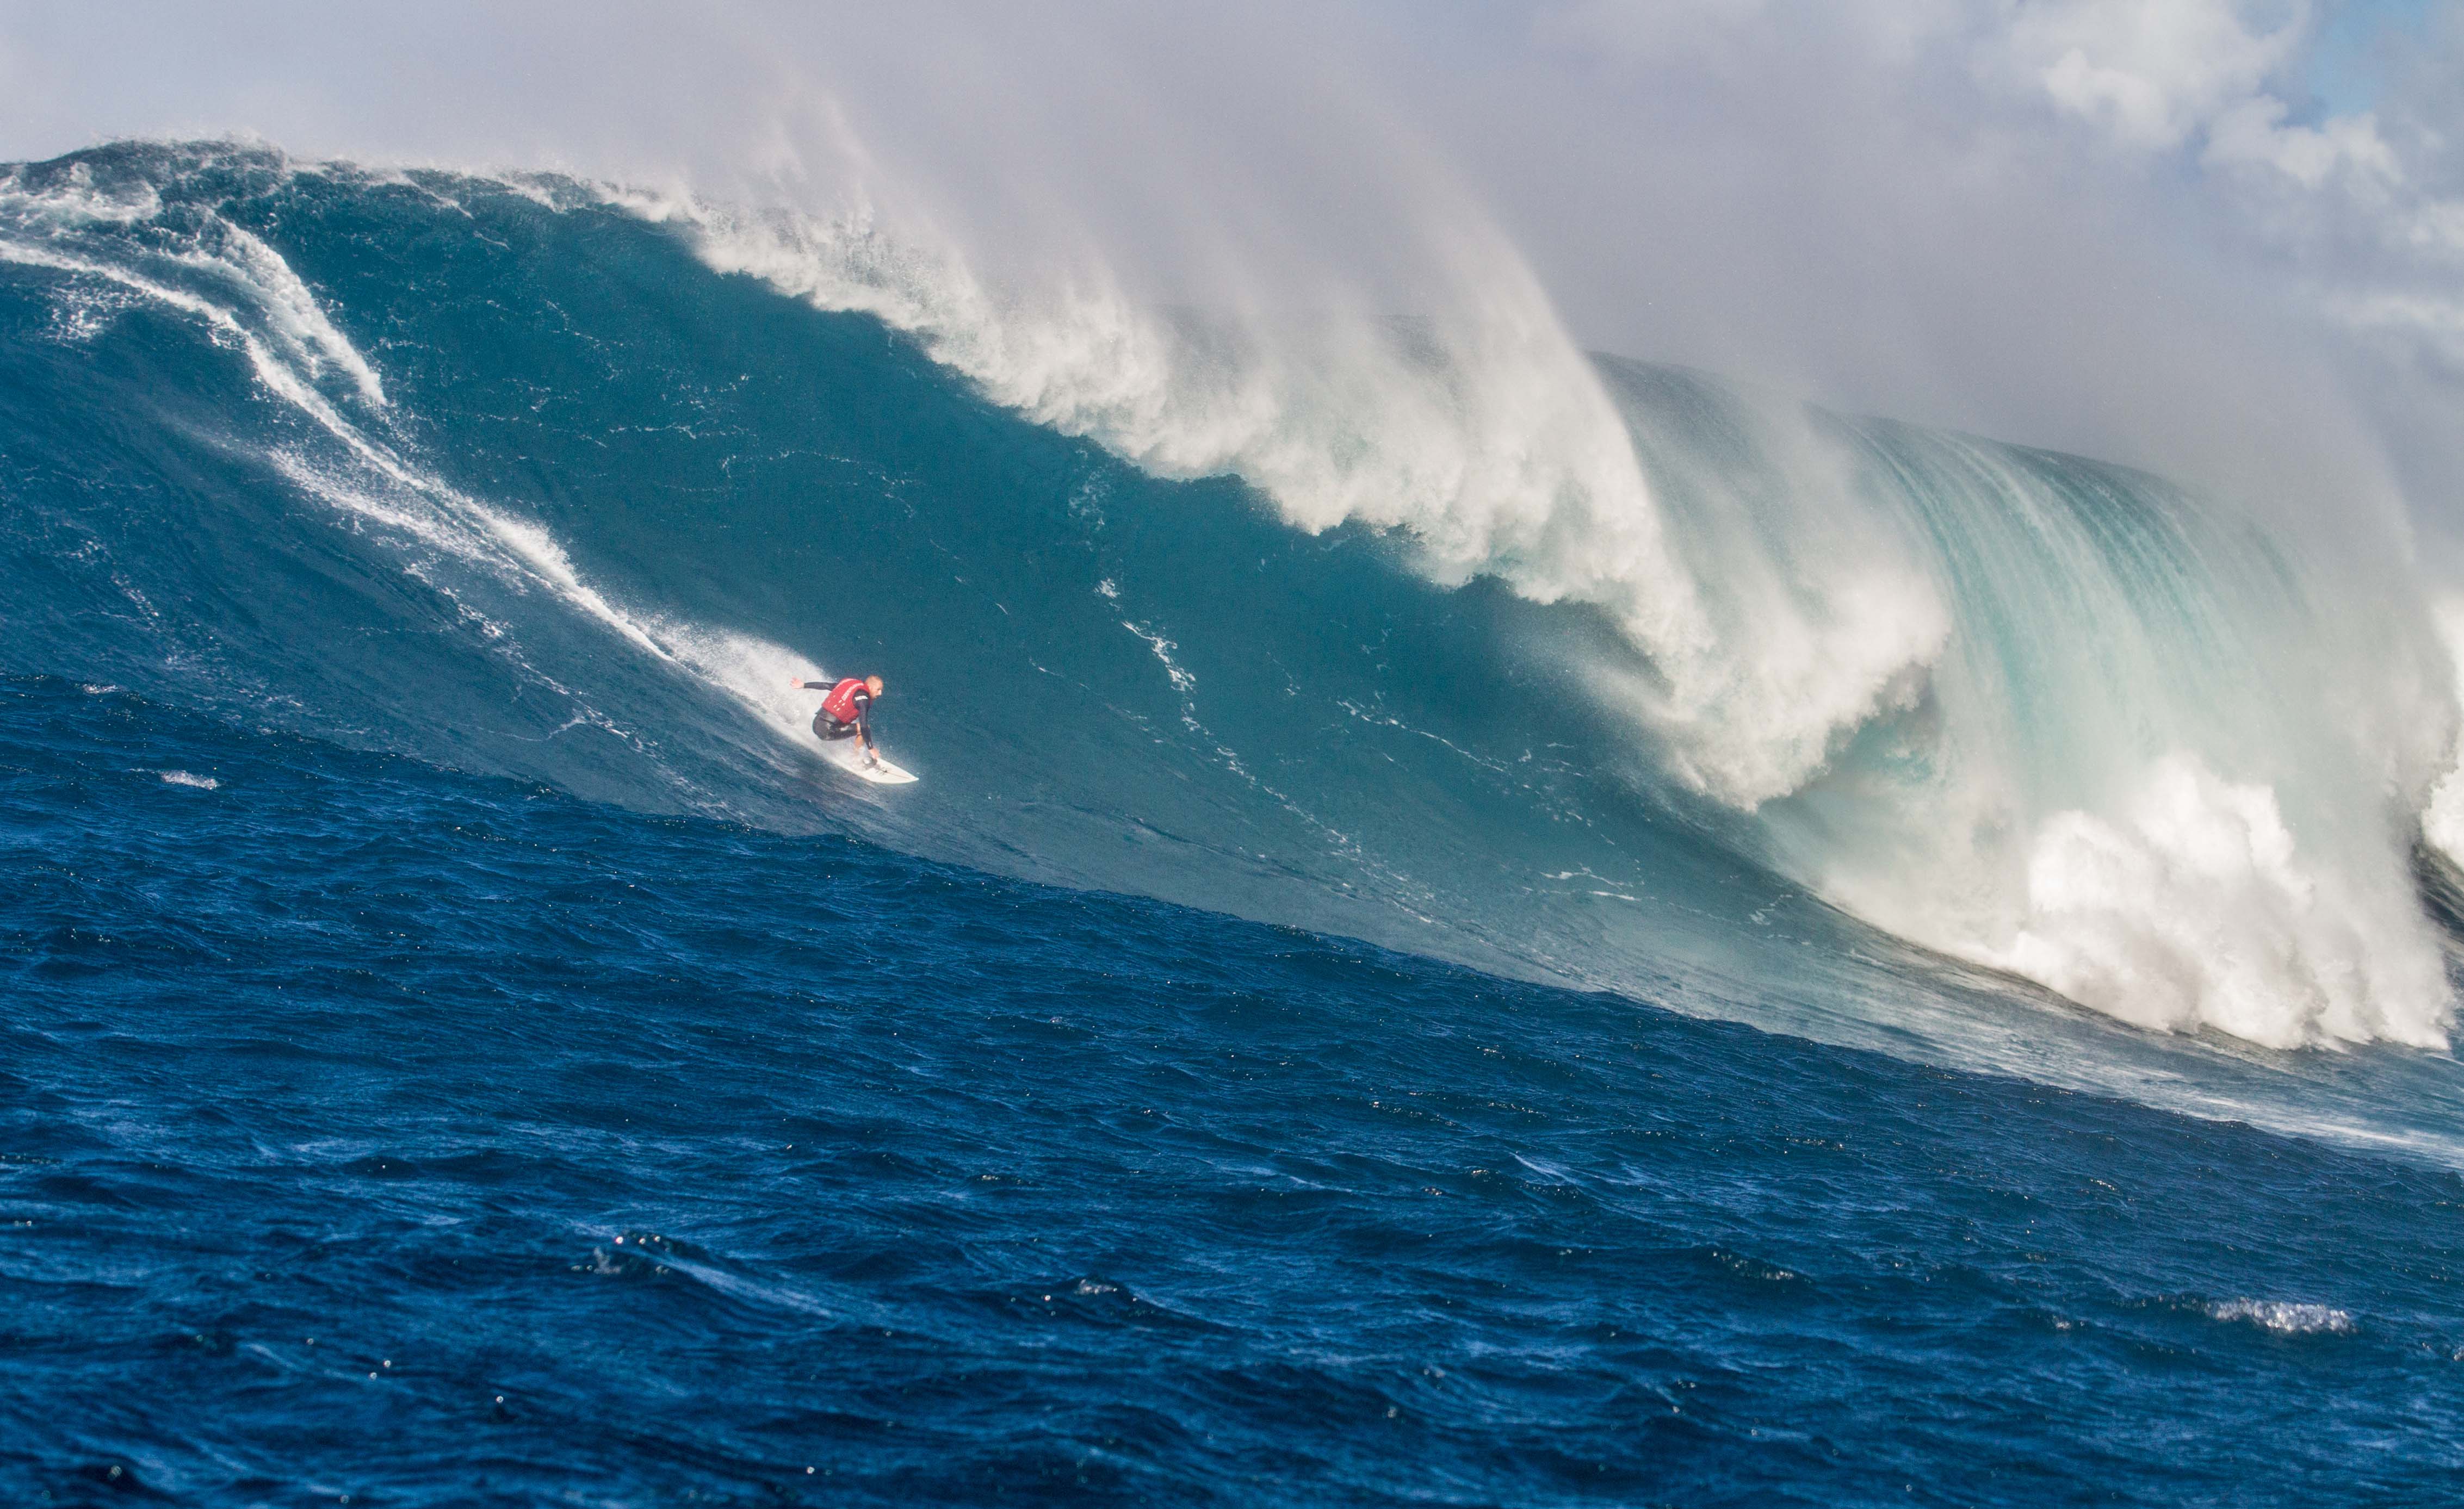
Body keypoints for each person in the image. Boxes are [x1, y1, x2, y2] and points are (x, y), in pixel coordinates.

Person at [791, 673, 885, 766]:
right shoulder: (864, 699)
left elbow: (827, 686)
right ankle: (855, 760)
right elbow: (864, 727)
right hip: (827, 731)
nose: (880, 694)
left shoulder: (852, 685)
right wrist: (871, 748)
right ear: (871, 687)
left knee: (855, 728)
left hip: (816, 723)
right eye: (878, 690)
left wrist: (803, 685)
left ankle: (853, 755)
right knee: (865, 729)